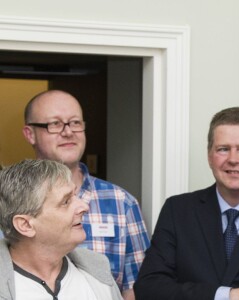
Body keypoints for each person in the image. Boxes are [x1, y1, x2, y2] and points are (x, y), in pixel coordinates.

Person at [134, 107, 239, 300]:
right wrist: (225, 295)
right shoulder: (178, 211)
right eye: (223, 149)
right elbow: (149, 288)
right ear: (209, 156)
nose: (233, 159)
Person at [22, 89, 150, 300]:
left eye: (75, 123)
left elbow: (135, 289)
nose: (68, 132)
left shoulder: (121, 203)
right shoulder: (8, 202)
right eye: (55, 124)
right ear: (30, 134)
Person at [0, 159, 123, 300]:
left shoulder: (97, 272)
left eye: (75, 195)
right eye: (65, 202)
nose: (84, 207)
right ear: (25, 225)